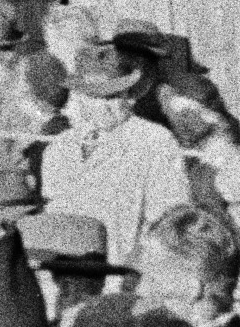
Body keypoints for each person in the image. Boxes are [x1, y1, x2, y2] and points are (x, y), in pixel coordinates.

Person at [37, 48, 193, 268]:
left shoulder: (154, 141)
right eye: (93, 96)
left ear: (128, 96)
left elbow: (170, 218)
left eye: (112, 96)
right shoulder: (59, 148)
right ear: (79, 97)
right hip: (69, 272)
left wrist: (138, 269)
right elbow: (52, 216)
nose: (103, 106)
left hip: (123, 271)